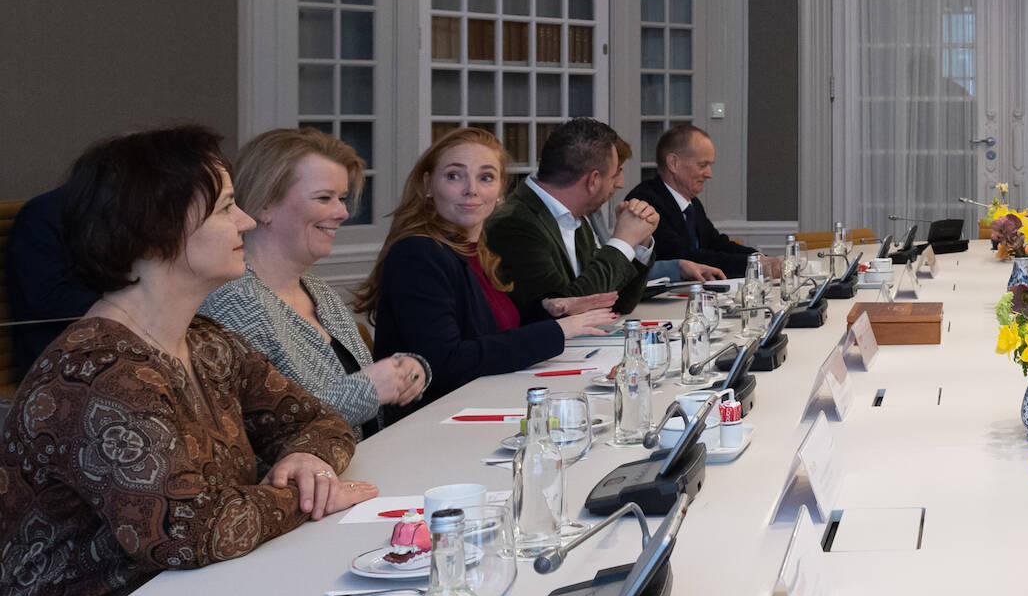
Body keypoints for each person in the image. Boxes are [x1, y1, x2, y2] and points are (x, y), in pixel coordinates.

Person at [0, 127, 366, 596]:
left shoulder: (205, 339)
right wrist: (309, 496)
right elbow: (190, 535)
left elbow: (321, 420)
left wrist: (310, 459)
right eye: (225, 209)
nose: (245, 221)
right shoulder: (99, 372)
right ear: (155, 233)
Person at [358, 128, 617, 410]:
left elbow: (490, 333)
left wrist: (552, 310)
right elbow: (447, 362)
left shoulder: (476, 250)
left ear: (500, 190)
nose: (472, 189)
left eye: (486, 177)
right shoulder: (418, 253)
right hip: (434, 424)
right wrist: (558, 330)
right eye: (454, 176)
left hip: (482, 405)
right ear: (428, 185)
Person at [201, 129, 428, 438]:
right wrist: (366, 390)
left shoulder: (319, 291)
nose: (342, 212)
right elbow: (257, 436)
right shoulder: (232, 303)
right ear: (264, 204)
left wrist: (407, 373)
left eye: (343, 198)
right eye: (324, 198)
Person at [485, 118, 717, 325]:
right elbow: (564, 312)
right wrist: (622, 242)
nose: (621, 184)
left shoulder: (576, 218)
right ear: (594, 180)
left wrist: (639, 244)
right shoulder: (515, 224)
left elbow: (618, 304)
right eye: (616, 173)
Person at [625, 124, 770, 280]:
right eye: (702, 165)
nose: (709, 174)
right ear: (673, 163)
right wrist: (756, 265)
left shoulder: (691, 203)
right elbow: (685, 256)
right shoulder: (646, 201)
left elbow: (716, 243)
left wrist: (759, 258)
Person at [4, 182, 97, 378]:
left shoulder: (128, 213)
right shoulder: (42, 215)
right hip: (56, 351)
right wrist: (130, 301)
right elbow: (48, 299)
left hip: (108, 338)